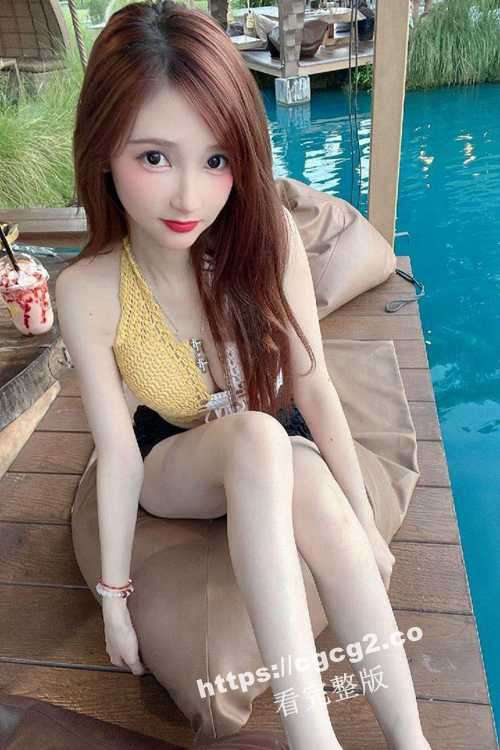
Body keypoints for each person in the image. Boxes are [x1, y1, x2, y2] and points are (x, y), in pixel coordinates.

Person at [55, 2, 432, 749]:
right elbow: (119, 453)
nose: (188, 197)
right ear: (103, 149)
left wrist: (366, 526)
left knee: (305, 480)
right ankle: (310, 736)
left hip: (268, 438)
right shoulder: (89, 289)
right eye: (154, 157)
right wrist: (115, 599)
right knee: (260, 437)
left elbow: (312, 384)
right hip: (172, 458)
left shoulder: (267, 239)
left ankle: (411, 740)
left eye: (215, 159)